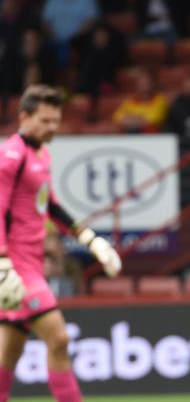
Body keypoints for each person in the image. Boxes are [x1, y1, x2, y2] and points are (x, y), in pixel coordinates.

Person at [0, 84, 123, 402]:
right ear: (23, 117)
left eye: (55, 120)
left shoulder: (41, 153)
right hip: (15, 268)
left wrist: (90, 240)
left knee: (9, 353)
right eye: (44, 120)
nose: (52, 127)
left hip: (32, 262)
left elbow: (50, 206)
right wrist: (2, 262)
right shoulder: (11, 155)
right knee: (59, 339)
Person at [113, 69, 169, 133]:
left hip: (153, 137)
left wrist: (131, 118)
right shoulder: (131, 101)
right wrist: (141, 119)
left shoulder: (160, 99)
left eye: (146, 82)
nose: (143, 85)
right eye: (141, 82)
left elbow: (154, 118)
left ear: (153, 84)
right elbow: (117, 117)